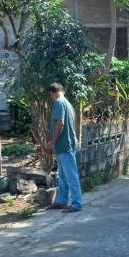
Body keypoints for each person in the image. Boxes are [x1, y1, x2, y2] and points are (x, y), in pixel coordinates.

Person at [48, 83, 83, 213]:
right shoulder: (67, 103)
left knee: (71, 175)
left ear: (52, 93)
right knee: (63, 176)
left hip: (64, 145)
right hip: (66, 144)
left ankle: (77, 204)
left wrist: (53, 142)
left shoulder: (58, 103)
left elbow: (60, 123)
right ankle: (62, 201)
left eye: (50, 96)